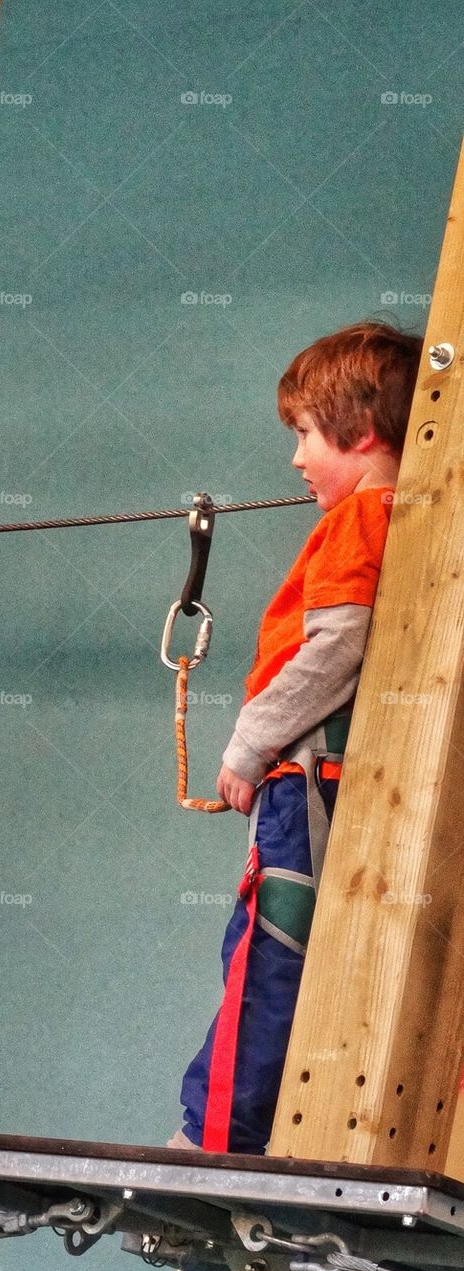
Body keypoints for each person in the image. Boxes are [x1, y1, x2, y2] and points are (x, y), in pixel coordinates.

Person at [170, 322, 423, 1155]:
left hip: (303, 777)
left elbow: (334, 649)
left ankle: (215, 1136)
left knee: (265, 947)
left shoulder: (360, 520)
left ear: (360, 432)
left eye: (305, 436)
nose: (295, 459)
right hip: (338, 778)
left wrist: (247, 744)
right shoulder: (414, 522)